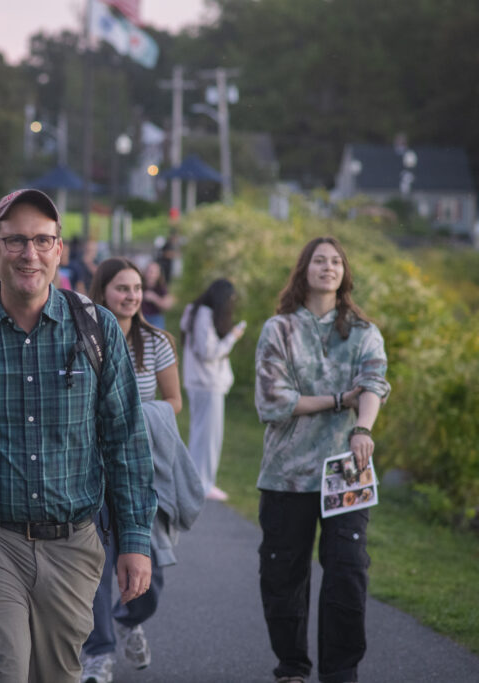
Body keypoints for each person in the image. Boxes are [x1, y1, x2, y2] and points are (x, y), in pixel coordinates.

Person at [0, 189, 156, 683]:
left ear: (60, 249)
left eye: (42, 240)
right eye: (15, 240)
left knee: (57, 675)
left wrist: (135, 540)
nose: (29, 254)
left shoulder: (97, 330)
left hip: (73, 544)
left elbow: (125, 442)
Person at [254, 236, 390, 683]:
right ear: (304, 270)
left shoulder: (364, 331)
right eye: (319, 260)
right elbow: (274, 402)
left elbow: (373, 383)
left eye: (335, 261)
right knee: (283, 576)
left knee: (348, 574)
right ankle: (292, 667)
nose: (328, 267)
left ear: (344, 272)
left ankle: (341, 672)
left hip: (345, 473)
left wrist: (362, 427)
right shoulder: (279, 330)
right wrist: (337, 399)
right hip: (287, 474)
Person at [80, 258, 192, 683]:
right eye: (121, 288)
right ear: (102, 291)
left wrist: (130, 415)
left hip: (142, 467)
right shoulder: (84, 336)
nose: (131, 296)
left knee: (151, 570)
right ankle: (99, 652)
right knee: (96, 567)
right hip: (89, 469)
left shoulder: (158, 341)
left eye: (136, 288)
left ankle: (129, 620)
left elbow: (175, 402)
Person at [180, 278, 247, 502]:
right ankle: (203, 484)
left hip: (201, 383)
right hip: (207, 383)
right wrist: (232, 337)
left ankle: (197, 482)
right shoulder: (203, 315)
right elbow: (209, 352)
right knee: (208, 438)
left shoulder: (194, 311)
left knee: (202, 435)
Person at [140, 261, 174, 330]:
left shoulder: (161, 288)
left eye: (155, 272)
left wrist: (154, 298)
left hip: (155, 318)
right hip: (141, 317)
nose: (151, 275)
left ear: (159, 274)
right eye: (149, 271)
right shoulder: (140, 286)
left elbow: (167, 306)